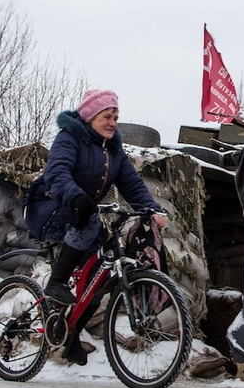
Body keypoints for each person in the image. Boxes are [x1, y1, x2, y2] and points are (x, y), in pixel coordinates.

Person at [24, 88, 166, 364]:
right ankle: (56, 282)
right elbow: (57, 172)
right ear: (90, 117)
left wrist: (151, 209)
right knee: (90, 224)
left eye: (116, 117)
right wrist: (76, 196)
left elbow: (132, 184)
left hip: (82, 211)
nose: (113, 122)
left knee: (97, 279)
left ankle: (71, 336)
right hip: (49, 206)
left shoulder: (113, 150)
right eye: (107, 116)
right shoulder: (69, 137)